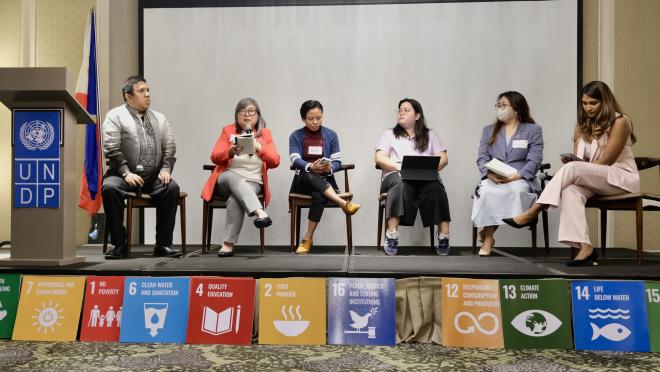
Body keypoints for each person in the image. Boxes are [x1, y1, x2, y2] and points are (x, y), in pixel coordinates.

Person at [504, 81, 639, 266]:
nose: (588, 108)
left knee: (572, 170)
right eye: (584, 103)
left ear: (605, 102)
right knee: (570, 190)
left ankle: (534, 210)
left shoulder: (620, 121)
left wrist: (577, 167)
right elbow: (579, 161)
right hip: (594, 179)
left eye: (593, 103)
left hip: (620, 178)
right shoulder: (581, 126)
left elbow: (606, 161)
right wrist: (575, 163)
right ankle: (585, 248)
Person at [102, 75, 180, 259]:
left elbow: (169, 147)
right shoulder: (115, 115)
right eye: (141, 91)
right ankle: (119, 244)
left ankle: (162, 244)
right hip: (122, 175)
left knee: (172, 188)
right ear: (128, 97)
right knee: (109, 188)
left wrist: (166, 169)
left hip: (153, 177)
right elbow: (111, 148)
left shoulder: (160, 118)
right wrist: (125, 172)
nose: (147, 95)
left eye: (148, 91)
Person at [201, 98, 280, 257]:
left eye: (251, 111)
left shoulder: (265, 134)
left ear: (258, 115)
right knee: (232, 176)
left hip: (253, 182)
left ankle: (228, 244)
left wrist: (260, 148)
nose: (247, 115)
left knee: (236, 198)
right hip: (226, 178)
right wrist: (230, 151)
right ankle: (259, 211)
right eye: (242, 111)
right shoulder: (228, 131)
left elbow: (275, 160)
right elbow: (215, 157)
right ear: (237, 115)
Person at [375, 98, 451, 256]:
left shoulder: (430, 135)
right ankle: (391, 234)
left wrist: (429, 168)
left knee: (436, 187)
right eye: (399, 110)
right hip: (396, 175)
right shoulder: (389, 134)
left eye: (406, 110)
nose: (401, 112)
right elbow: (379, 158)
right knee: (400, 184)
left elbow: (443, 158)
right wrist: (398, 167)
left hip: (424, 178)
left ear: (417, 115)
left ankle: (443, 236)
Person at [471, 91, 544, 256]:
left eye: (504, 105)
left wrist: (518, 175)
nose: (499, 109)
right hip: (494, 176)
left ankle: (487, 233)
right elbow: (482, 158)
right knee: (487, 192)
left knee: (516, 191)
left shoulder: (533, 130)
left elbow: (535, 159)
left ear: (516, 108)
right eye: (498, 105)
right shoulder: (489, 130)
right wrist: (488, 174)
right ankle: (488, 238)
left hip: (520, 177)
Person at [289, 100, 361, 254]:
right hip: (303, 180)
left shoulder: (331, 135)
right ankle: (343, 203)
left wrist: (329, 169)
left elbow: (337, 162)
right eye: (310, 118)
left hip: (324, 182)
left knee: (319, 195)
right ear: (303, 118)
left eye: (319, 118)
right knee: (309, 174)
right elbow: (295, 159)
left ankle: (307, 238)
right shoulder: (296, 136)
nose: (315, 122)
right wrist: (311, 166)